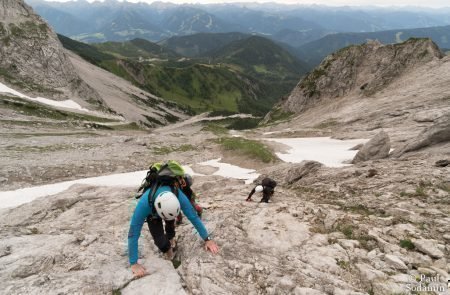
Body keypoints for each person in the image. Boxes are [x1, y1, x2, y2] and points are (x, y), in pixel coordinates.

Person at [128, 181, 219, 278]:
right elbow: (133, 232)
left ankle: (171, 240)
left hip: (169, 209)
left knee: (170, 226)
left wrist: (207, 239)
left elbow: (194, 217)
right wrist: (133, 263)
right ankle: (167, 249)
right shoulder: (144, 204)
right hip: (152, 214)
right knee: (160, 242)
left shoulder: (178, 195)